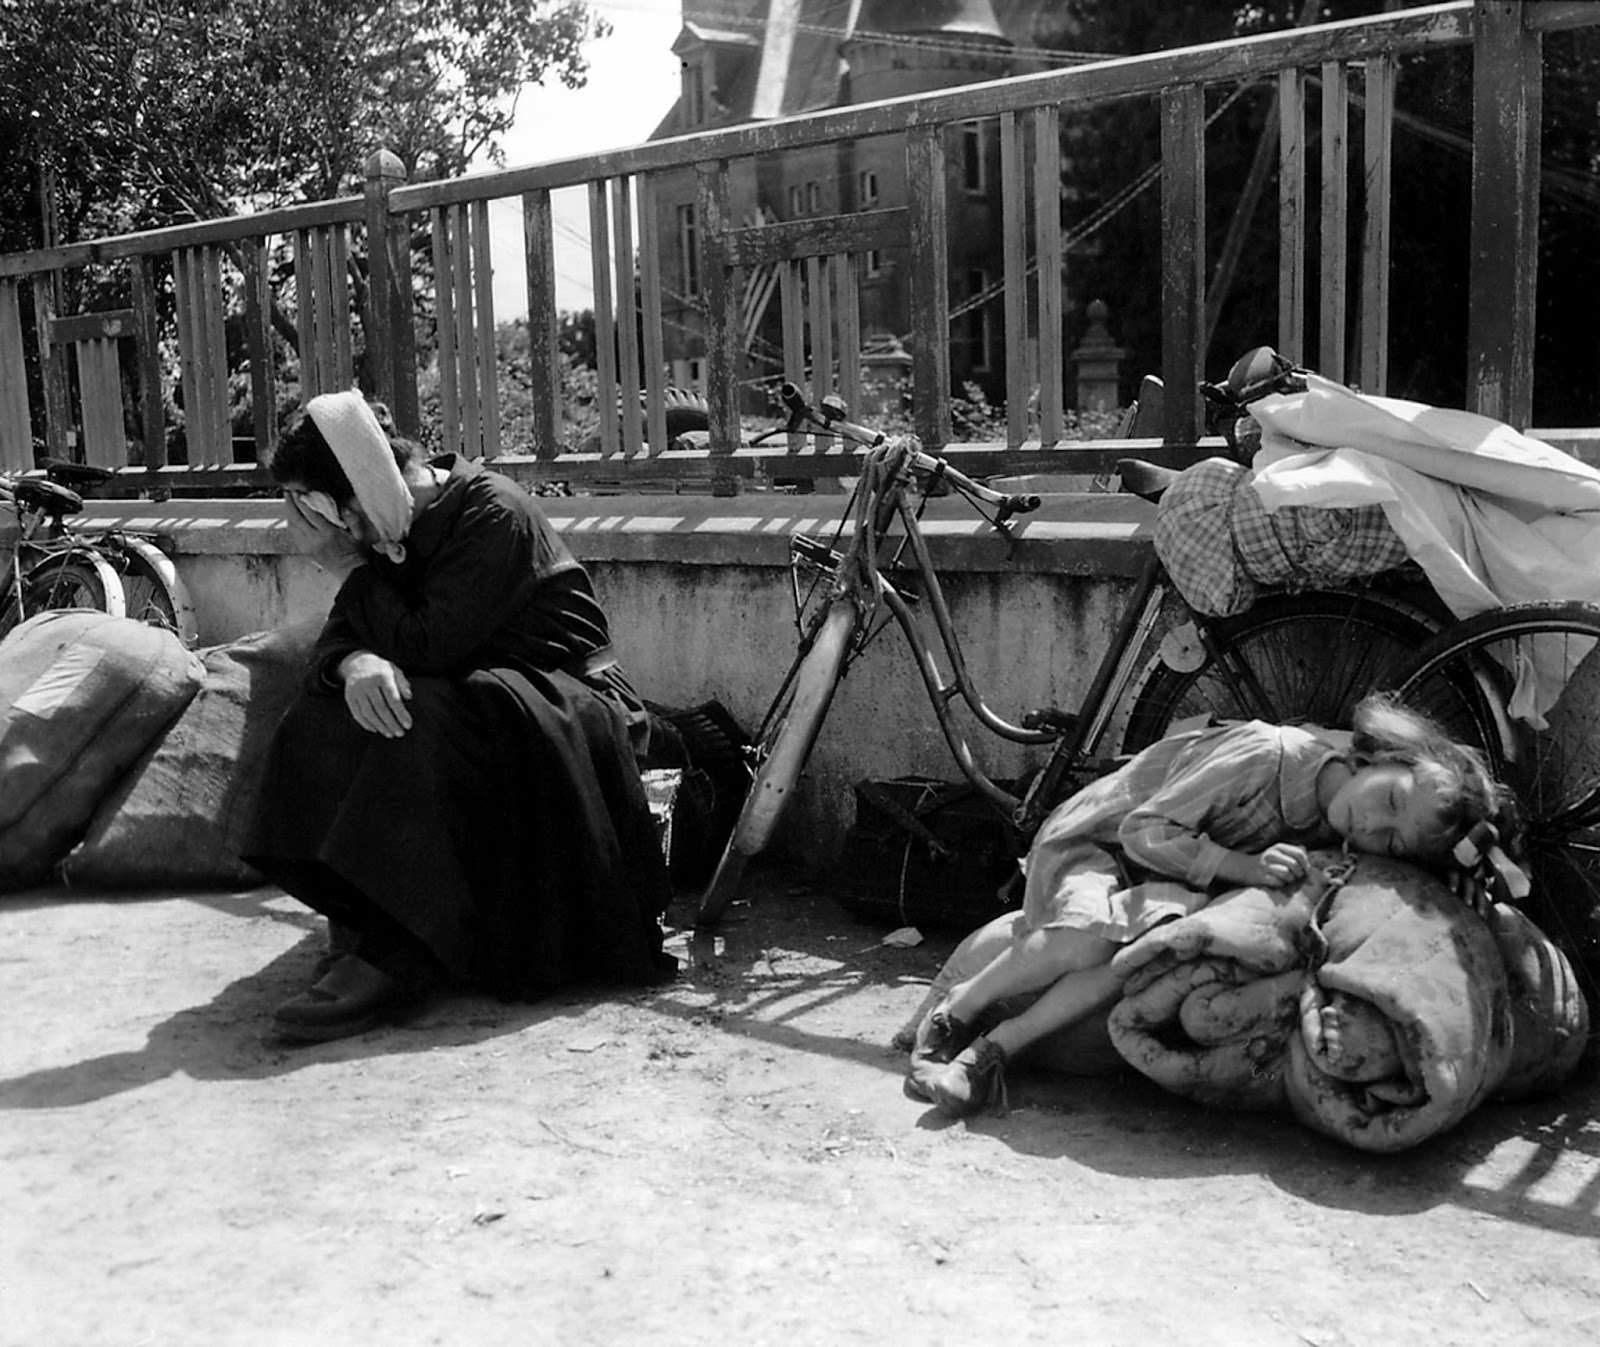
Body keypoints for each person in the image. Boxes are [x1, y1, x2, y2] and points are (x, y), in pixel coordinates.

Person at [242, 390, 676, 1043]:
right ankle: (368, 909)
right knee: (328, 708)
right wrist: (353, 664)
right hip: (482, 698)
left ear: (353, 502)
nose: (303, 524)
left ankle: (399, 948)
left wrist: (352, 570)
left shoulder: (490, 510)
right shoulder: (386, 531)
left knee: (421, 707)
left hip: (569, 704)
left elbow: (427, 645)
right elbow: (335, 648)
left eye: (311, 507)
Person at [905, 694, 1515, 1116]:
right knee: (1093, 936)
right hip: (1104, 842)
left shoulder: (1339, 830)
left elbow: (1449, 854)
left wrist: (1467, 881)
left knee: (1133, 956)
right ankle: (958, 1010)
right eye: (1388, 800)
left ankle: (993, 1053)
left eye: (1391, 840)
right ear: (1381, 757)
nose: (1372, 826)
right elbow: (1144, 829)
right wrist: (1243, 867)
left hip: (1159, 881)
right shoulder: (1269, 754)